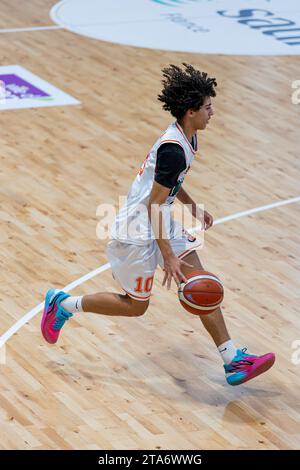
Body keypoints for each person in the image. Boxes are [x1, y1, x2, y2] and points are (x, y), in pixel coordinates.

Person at [41, 63, 275, 386]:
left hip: (158, 218)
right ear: (191, 111)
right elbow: (153, 203)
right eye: (208, 107)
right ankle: (63, 304)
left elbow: (167, 185)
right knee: (136, 307)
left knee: (200, 282)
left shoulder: (187, 138)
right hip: (137, 230)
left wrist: (192, 206)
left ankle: (232, 359)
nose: (213, 113)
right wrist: (168, 255)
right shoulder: (173, 149)